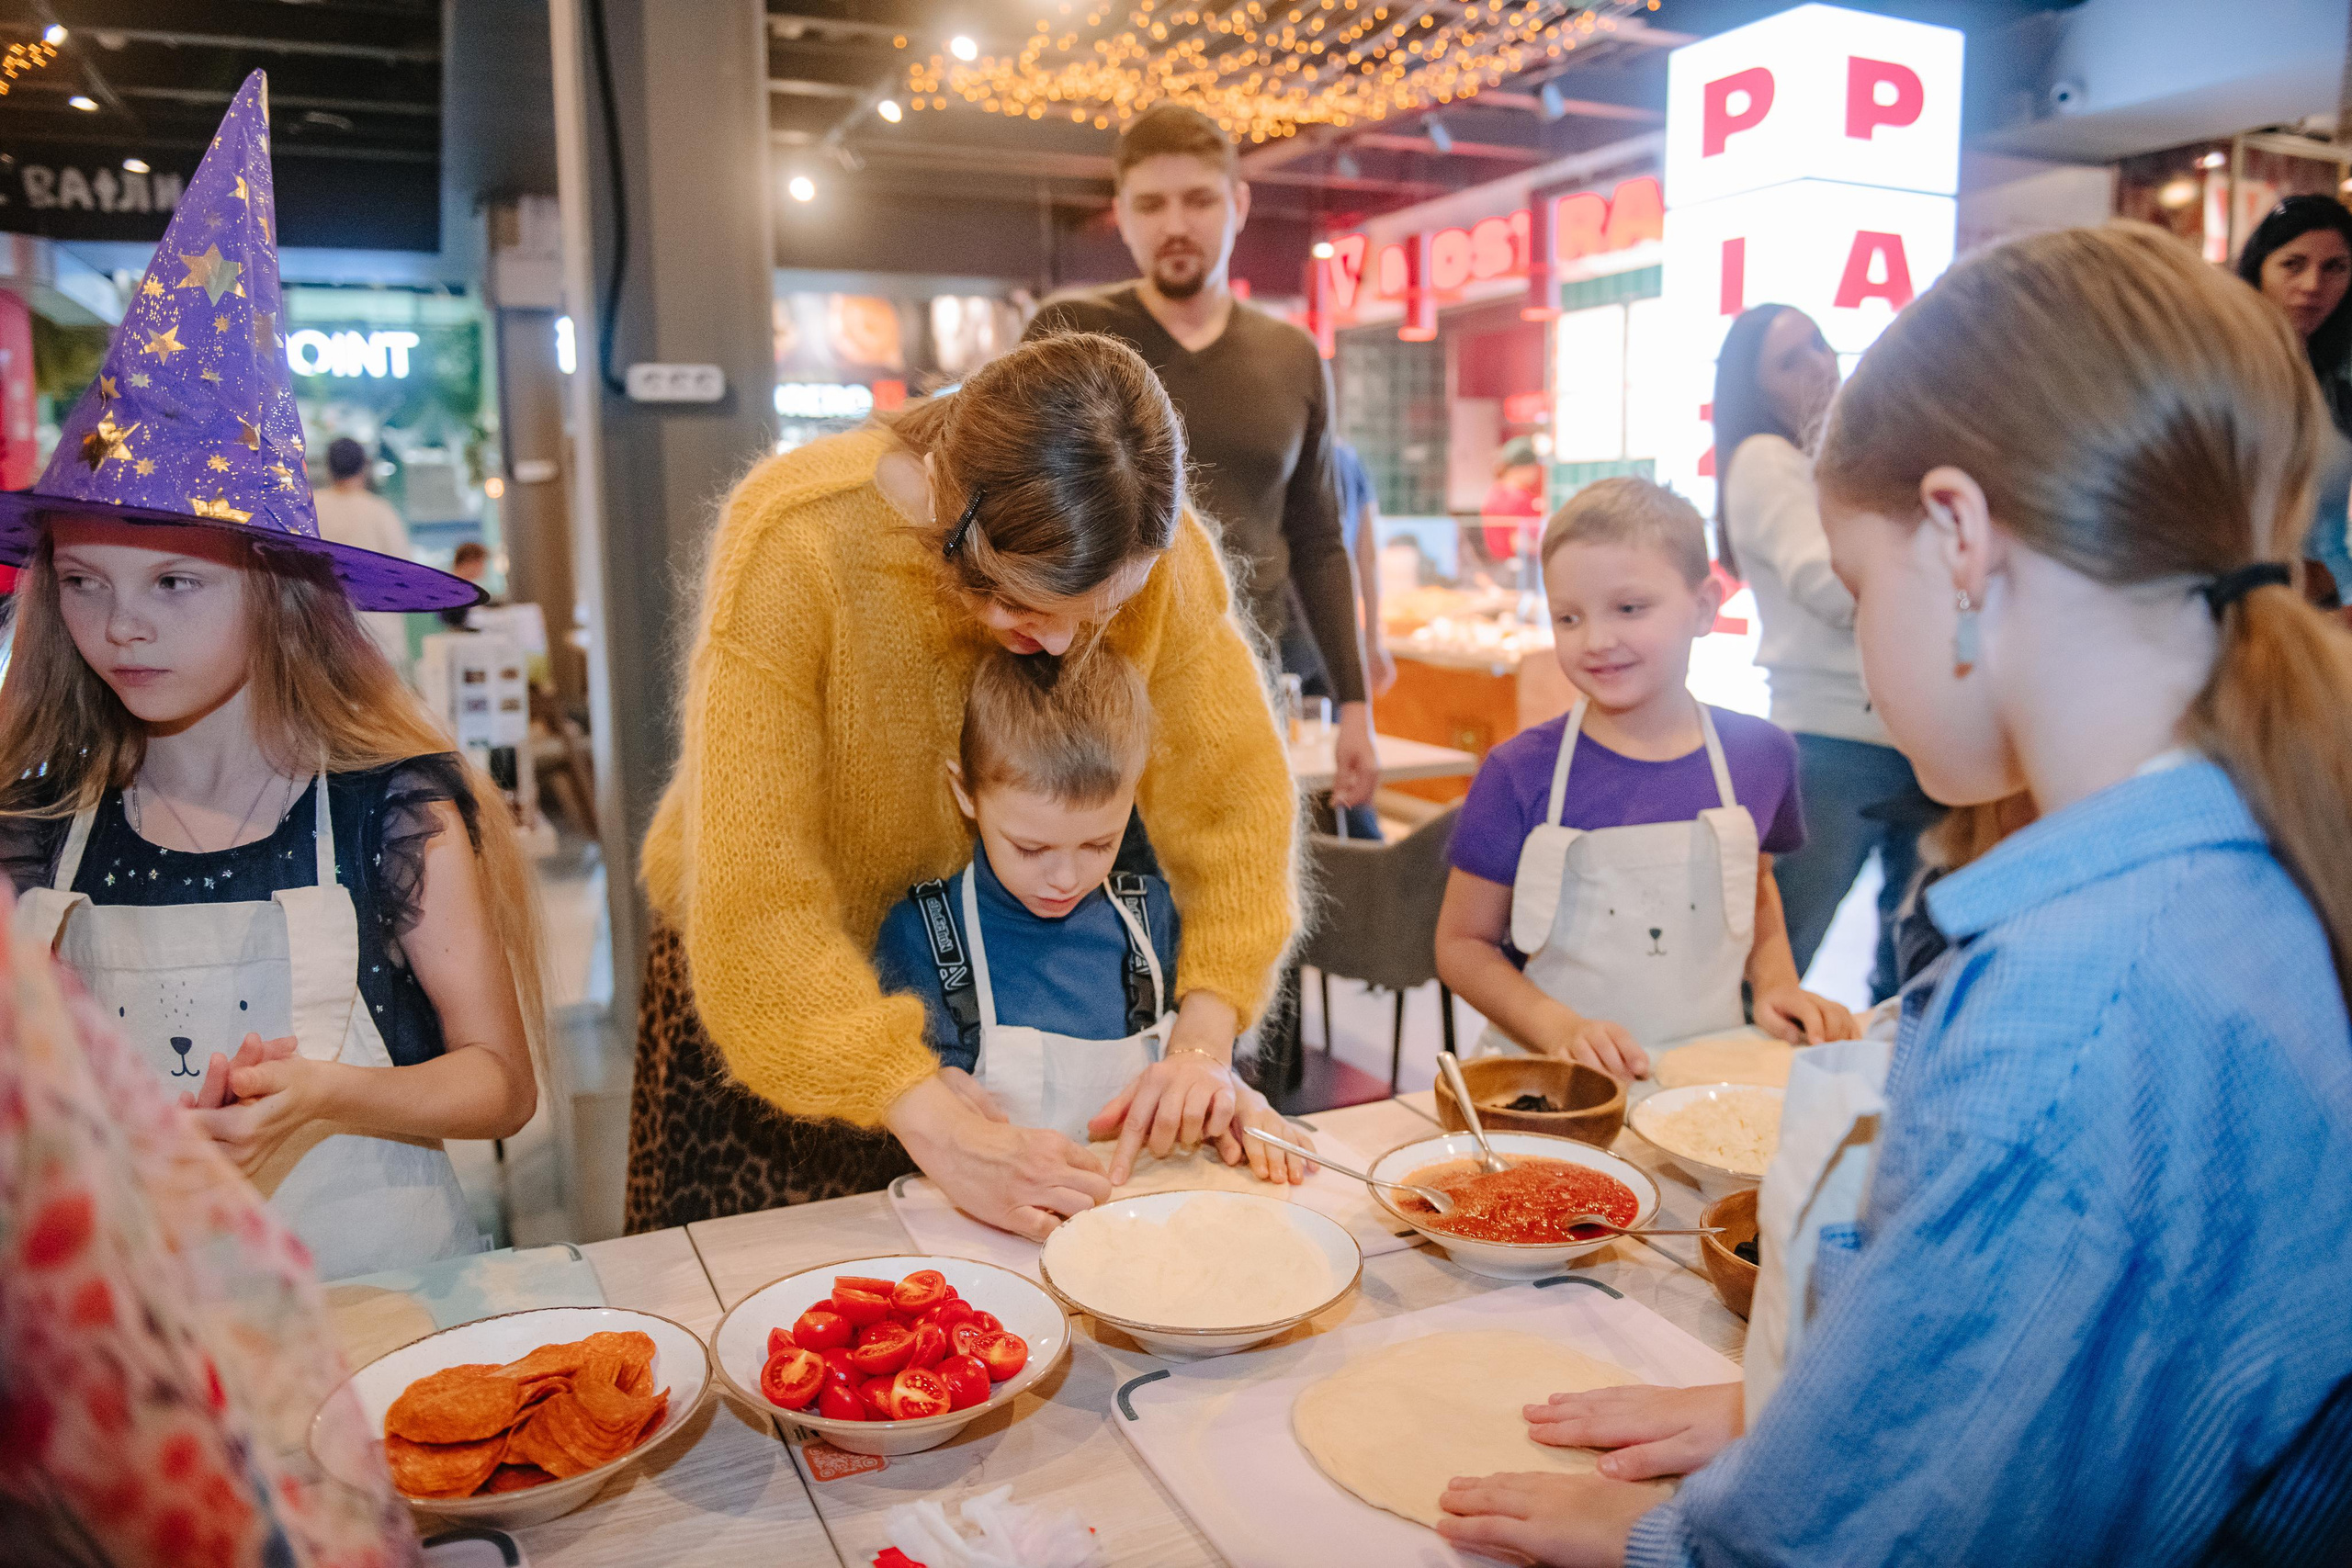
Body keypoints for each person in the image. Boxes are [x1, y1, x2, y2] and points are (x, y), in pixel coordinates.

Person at [1437, 223, 2352, 1566]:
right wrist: (1794, 1407)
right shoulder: (2253, 860)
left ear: (1961, 540)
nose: (1863, 649)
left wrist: (1691, 1540)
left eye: (1860, 588)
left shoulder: (2066, 1011)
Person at [0, 73, 532, 1284]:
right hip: (132, 1325)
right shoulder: (35, 829)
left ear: (276, 594)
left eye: (173, 583)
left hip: (383, 1305)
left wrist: (332, 1095)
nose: (120, 626)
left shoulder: (390, 809)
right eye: (82, 581)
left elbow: (501, 1084)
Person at [628, 330, 1298, 1242]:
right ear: (952, 512)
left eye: (1097, 615)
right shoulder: (800, 539)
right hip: (779, 1000)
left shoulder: (1148, 538)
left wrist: (1203, 1043)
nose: (1060, 644)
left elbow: (1236, 802)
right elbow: (758, 902)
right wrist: (926, 1114)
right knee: (797, 1298)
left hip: (990, 965)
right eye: (1023, 604)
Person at [1434, 478, 1856, 1082]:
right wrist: (1559, 1028)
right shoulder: (1518, 773)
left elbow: (1754, 886)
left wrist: (1776, 984)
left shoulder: (1762, 756)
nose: (1597, 640)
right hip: (1556, 1086)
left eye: (1629, 608)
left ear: (1705, 607)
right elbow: (1462, 944)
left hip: (1706, 1078)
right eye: (1568, 617)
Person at [1024, 104, 1379, 822]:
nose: (1175, 224)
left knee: (1244, 876)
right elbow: (1021, 517)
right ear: (1122, 215)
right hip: (1095, 689)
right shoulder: (1068, 335)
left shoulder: (1293, 357)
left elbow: (1319, 540)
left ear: (1238, 205)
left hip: (1249, 683)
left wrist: (1356, 704)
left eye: (1199, 200)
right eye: (1151, 205)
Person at [871, 645, 1309, 1182]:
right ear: (965, 793)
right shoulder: (922, 936)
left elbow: (1186, 1059)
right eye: (1031, 848)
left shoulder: (1149, 916)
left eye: (1099, 844)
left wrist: (1229, 1094)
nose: (1065, 878)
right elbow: (901, 1103)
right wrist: (932, 1096)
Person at [1713, 302, 1929, 1002]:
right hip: (1834, 740)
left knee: (1912, 965)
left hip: (1909, 734)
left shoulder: (1836, 462)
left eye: (1818, 343)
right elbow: (1828, 585)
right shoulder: (1765, 458)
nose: (1818, 364)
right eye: (1789, 360)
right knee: (1775, 969)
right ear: (1755, 389)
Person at [2237, 193, 2352, 605]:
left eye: (2335, 267)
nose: (2313, 286)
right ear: (2260, 268)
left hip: (2331, 598)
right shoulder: (2214, 372)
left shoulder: (2340, 377)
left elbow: (2329, 529)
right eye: (2293, 264)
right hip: (2238, 598)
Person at [311, 435, 419, 671]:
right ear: (364, 467)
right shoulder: (380, 512)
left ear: (329, 468)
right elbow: (406, 572)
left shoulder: (312, 508)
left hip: (323, 637)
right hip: (379, 639)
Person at [1333, 439, 1396, 699]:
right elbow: (1367, 558)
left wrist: (1372, 642)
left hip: (1279, 622)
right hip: (1336, 629)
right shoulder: (1347, 458)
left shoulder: (1285, 445)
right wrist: (1372, 642)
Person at [1478, 436, 1547, 565]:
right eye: (1533, 466)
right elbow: (1519, 542)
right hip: (1518, 568)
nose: (1536, 472)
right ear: (1521, 468)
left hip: (1498, 566)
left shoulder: (1494, 492)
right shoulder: (1517, 498)